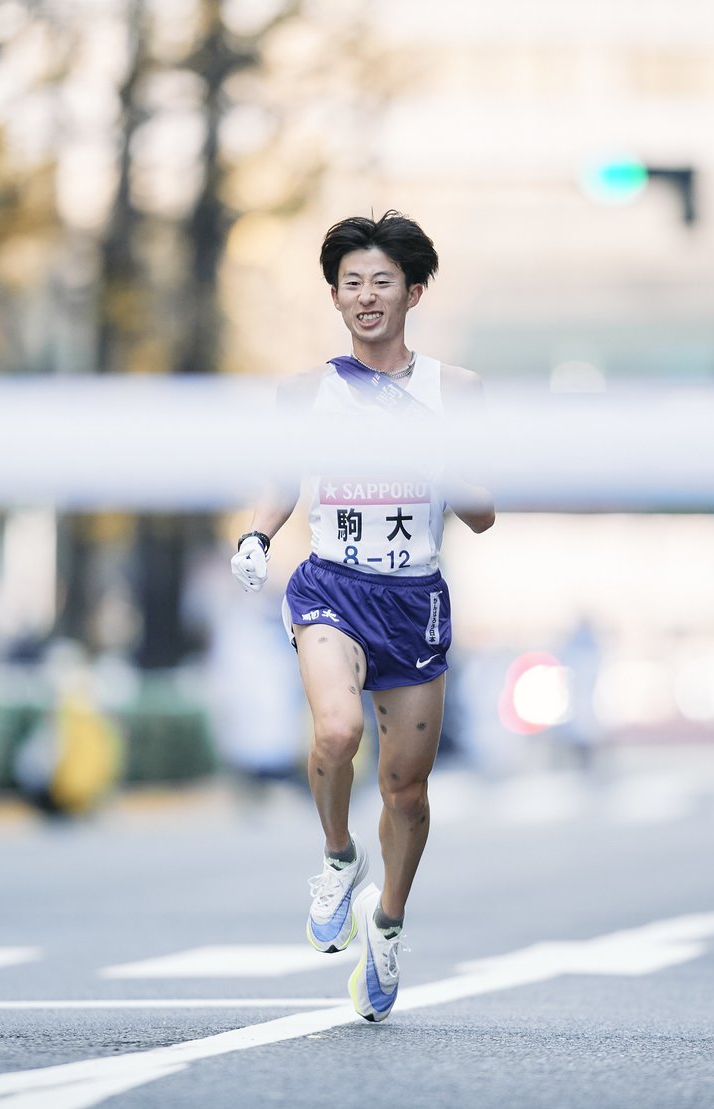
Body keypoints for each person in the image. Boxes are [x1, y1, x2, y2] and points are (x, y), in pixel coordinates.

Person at [230, 212, 495, 1022]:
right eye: (351, 283)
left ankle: (386, 927)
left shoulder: (458, 392)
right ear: (336, 296)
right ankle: (339, 856)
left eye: (382, 281)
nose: (366, 296)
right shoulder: (304, 393)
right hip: (330, 587)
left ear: (413, 292)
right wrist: (257, 534)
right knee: (337, 732)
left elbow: (482, 513)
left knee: (405, 790)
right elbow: (282, 476)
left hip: (412, 599)